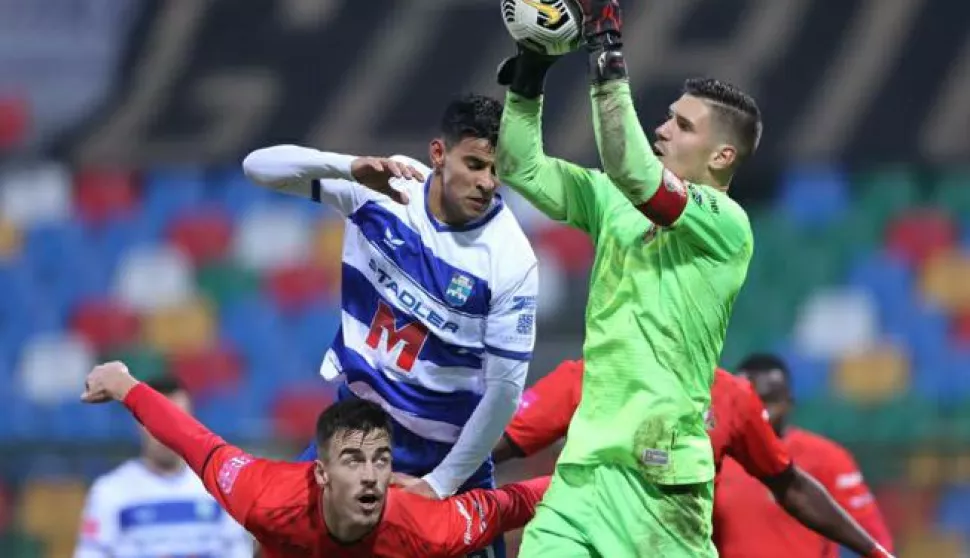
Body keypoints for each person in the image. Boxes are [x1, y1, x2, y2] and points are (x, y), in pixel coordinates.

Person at [495, 0, 757, 554]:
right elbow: (521, 168)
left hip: (660, 482)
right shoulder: (615, 201)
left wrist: (606, 49)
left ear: (722, 154)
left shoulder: (727, 227)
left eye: (683, 126)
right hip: (583, 469)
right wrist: (529, 79)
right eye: (668, 117)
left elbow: (633, 171)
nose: (663, 129)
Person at [243, 94, 538, 557]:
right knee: (270, 538)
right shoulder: (387, 188)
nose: (488, 183)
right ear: (438, 154)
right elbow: (259, 167)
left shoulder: (511, 260)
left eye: (498, 170)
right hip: (356, 437)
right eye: (476, 164)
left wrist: (440, 485)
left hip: (447, 461)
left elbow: (504, 393)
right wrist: (348, 167)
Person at [79, 361, 550, 558]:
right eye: (353, 461)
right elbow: (196, 442)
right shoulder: (264, 497)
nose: (370, 477)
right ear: (320, 472)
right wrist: (123, 384)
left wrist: (608, 474)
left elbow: (515, 503)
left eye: (381, 460)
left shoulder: (428, 524)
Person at [493, 359, 895, 558]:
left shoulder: (733, 402)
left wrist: (879, 553)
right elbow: (502, 444)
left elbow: (790, 486)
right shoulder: (590, 376)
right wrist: (441, 486)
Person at [714, 353, 894, 558]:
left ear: (788, 402)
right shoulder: (717, 459)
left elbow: (875, 537)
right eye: (750, 402)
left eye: (769, 401)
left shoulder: (827, 457)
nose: (759, 411)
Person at [73, 377, 252, 558]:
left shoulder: (220, 488)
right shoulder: (110, 491)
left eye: (177, 421)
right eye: (157, 421)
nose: (167, 432)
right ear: (138, 423)